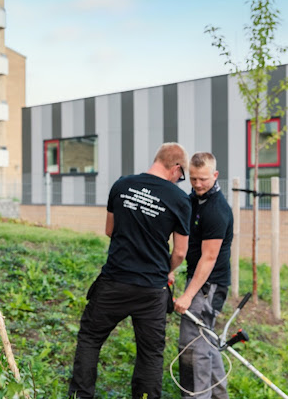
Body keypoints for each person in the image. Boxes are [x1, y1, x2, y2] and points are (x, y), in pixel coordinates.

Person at [68, 142, 192, 399]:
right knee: (150, 354)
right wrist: (165, 269)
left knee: (90, 338)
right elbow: (180, 252)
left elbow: (109, 230)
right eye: (182, 176)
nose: (180, 181)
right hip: (152, 290)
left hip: (114, 282)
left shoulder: (122, 185)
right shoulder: (179, 199)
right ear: (176, 167)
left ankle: (80, 396)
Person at [174, 152, 233, 399]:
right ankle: (219, 396)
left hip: (210, 284)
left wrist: (188, 295)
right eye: (194, 178)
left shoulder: (217, 210)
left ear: (215, 175)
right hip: (199, 279)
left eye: (204, 179)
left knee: (193, 346)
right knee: (206, 342)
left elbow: (208, 258)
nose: (198, 184)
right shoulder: (194, 200)